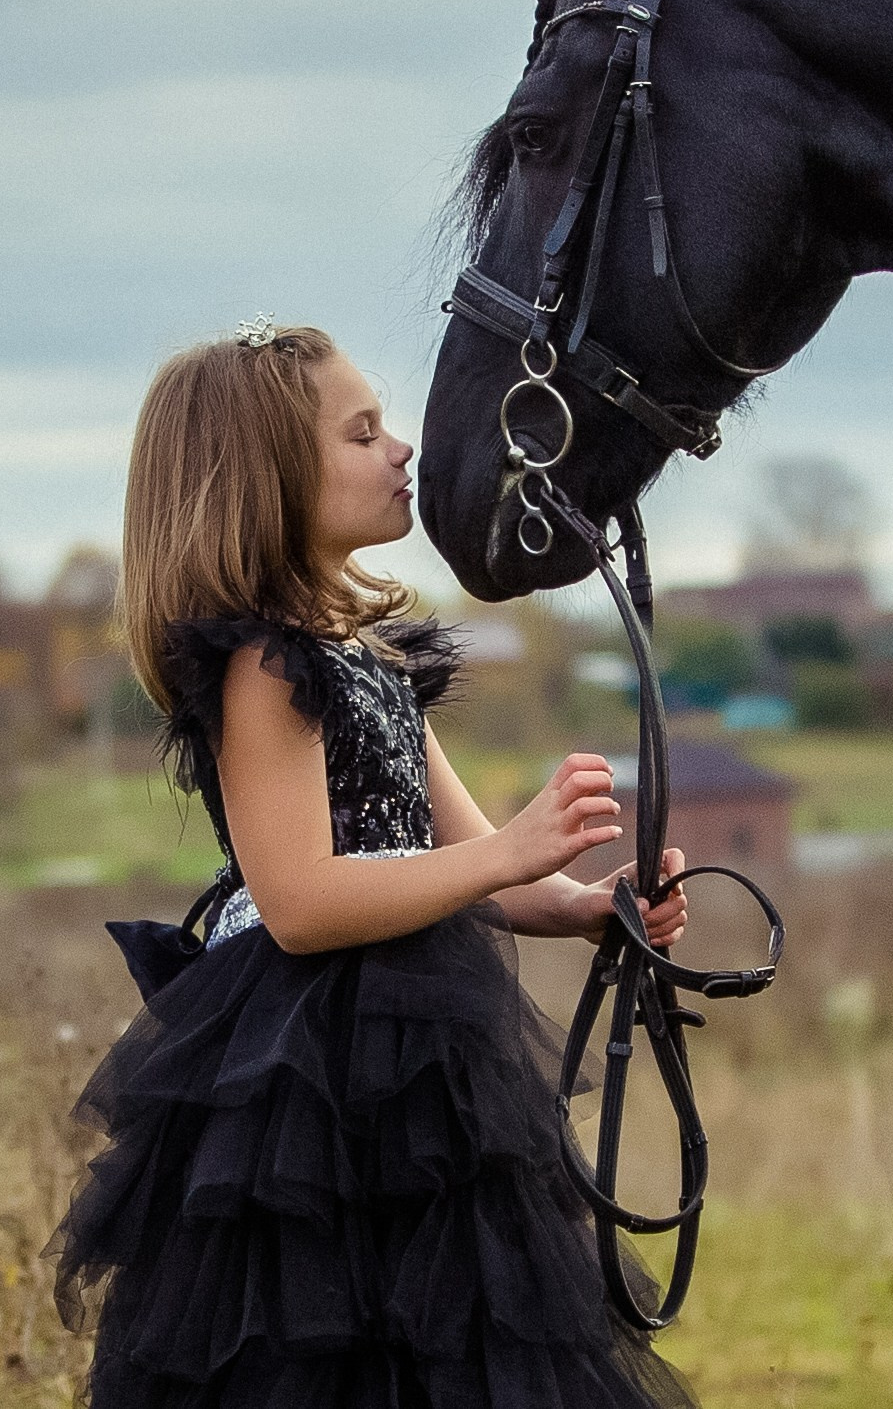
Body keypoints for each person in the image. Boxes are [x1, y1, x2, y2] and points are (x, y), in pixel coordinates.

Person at [45, 321, 698, 1408]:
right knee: (319, 1346)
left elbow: (463, 860)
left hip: (425, 1061)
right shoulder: (265, 665)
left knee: (455, 1337)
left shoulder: (367, 650)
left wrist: (587, 902)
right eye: (361, 433)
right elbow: (299, 900)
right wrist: (506, 848)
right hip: (303, 1073)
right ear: (265, 477)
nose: (403, 450)